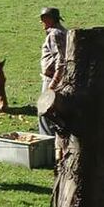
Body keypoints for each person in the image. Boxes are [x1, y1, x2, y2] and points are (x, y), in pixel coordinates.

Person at [39, 7, 67, 136]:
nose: (41, 22)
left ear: (49, 19)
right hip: (60, 79)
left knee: (44, 112)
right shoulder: (62, 32)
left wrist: (53, 85)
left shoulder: (55, 34)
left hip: (52, 79)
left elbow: (61, 60)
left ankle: (47, 147)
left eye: (43, 19)